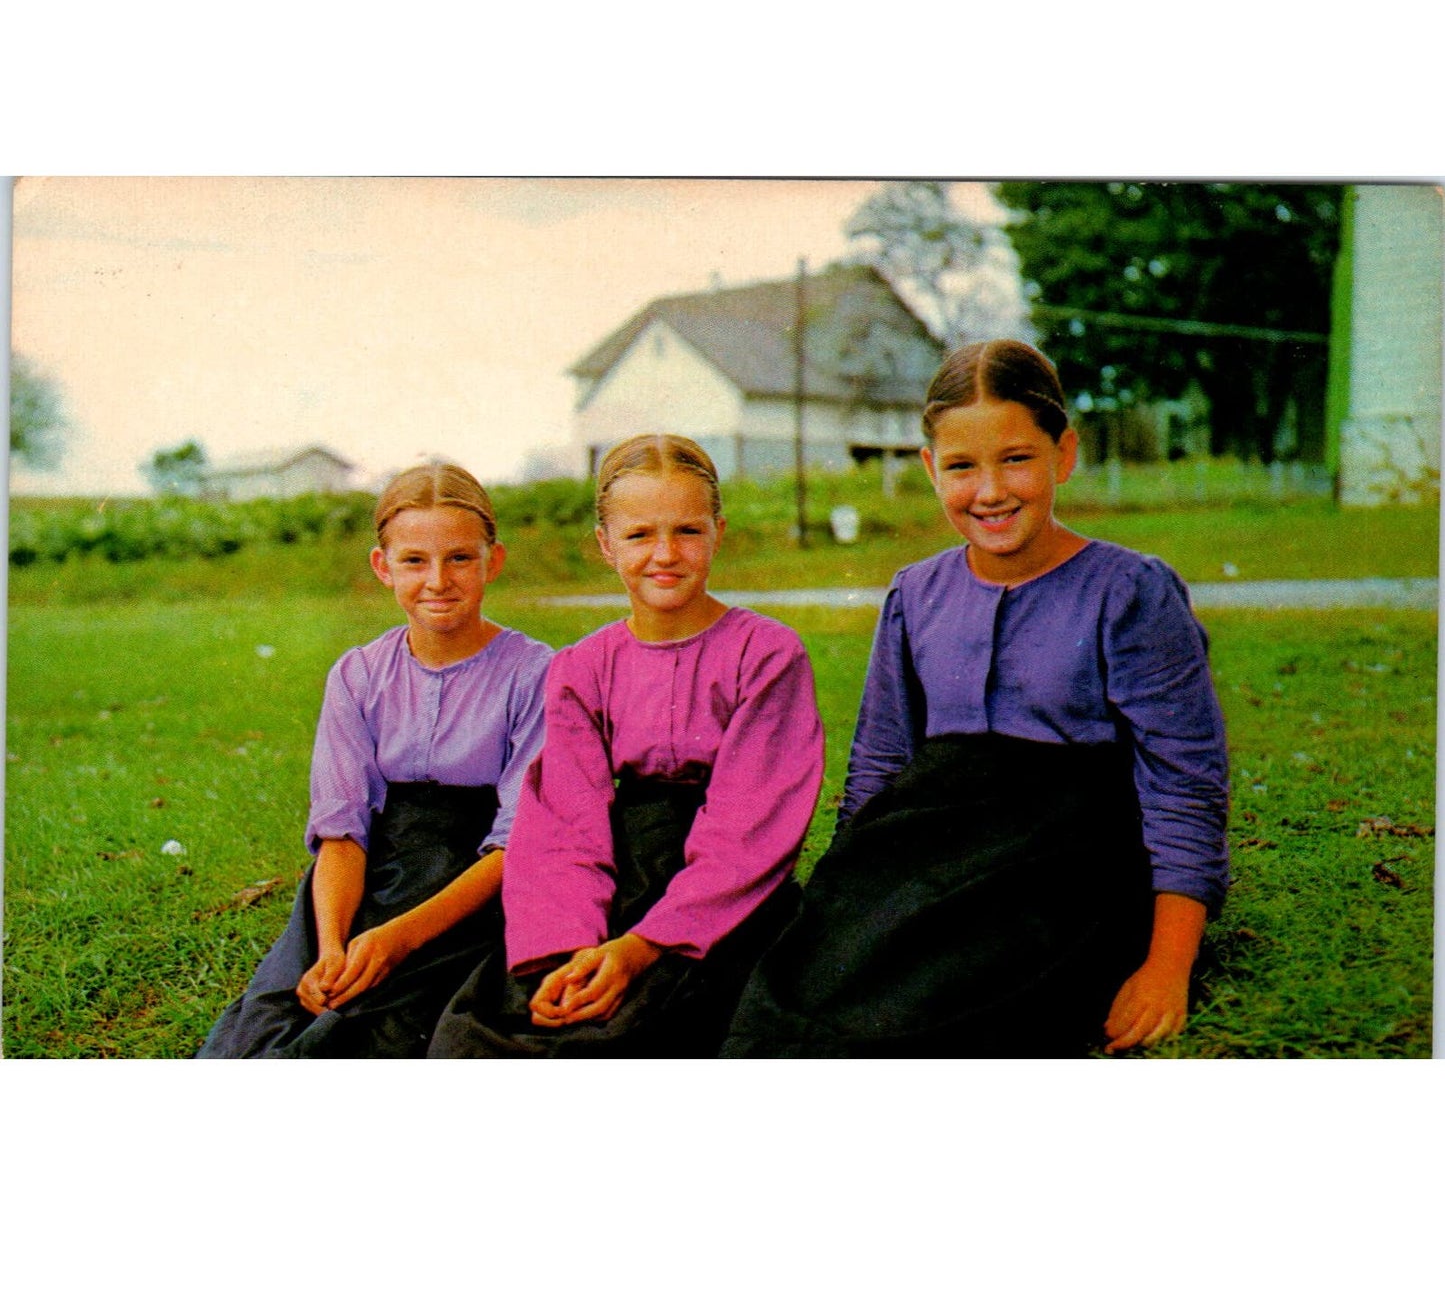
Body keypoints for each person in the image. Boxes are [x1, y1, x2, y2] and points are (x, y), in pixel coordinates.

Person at [723, 339, 1230, 1059]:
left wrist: (1165, 966)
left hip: (1065, 860)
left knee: (949, 1010)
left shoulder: (1130, 592)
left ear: (1063, 454)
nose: (989, 490)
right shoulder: (913, 593)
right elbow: (881, 761)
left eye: (1016, 458)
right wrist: (844, 902)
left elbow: (1185, 784)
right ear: (931, 469)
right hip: (933, 842)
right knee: (791, 997)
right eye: (961, 466)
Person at [430, 434, 824, 1058]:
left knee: (646, 1027)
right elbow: (565, 818)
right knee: (491, 1029)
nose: (665, 554)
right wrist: (574, 948)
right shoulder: (580, 667)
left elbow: (749, 831)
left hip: (722, 892)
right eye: (639, 535)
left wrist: (640, 948)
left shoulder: (768, 654)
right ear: (606, 545)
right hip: (613, 869)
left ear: (718, 532)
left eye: (687, 531)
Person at [197, 463, 551, 1058]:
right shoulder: (358, 674)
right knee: (278, 1019)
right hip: (368, 875)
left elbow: (519, 841)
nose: (438, 580)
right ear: (383, 567)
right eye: (415, 560)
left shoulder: (534, 672)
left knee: (381, 1026)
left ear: (494, 561)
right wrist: (333, 942)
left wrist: (397, 939)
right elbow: (342, 829)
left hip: (475, 883)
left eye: (461, 558)